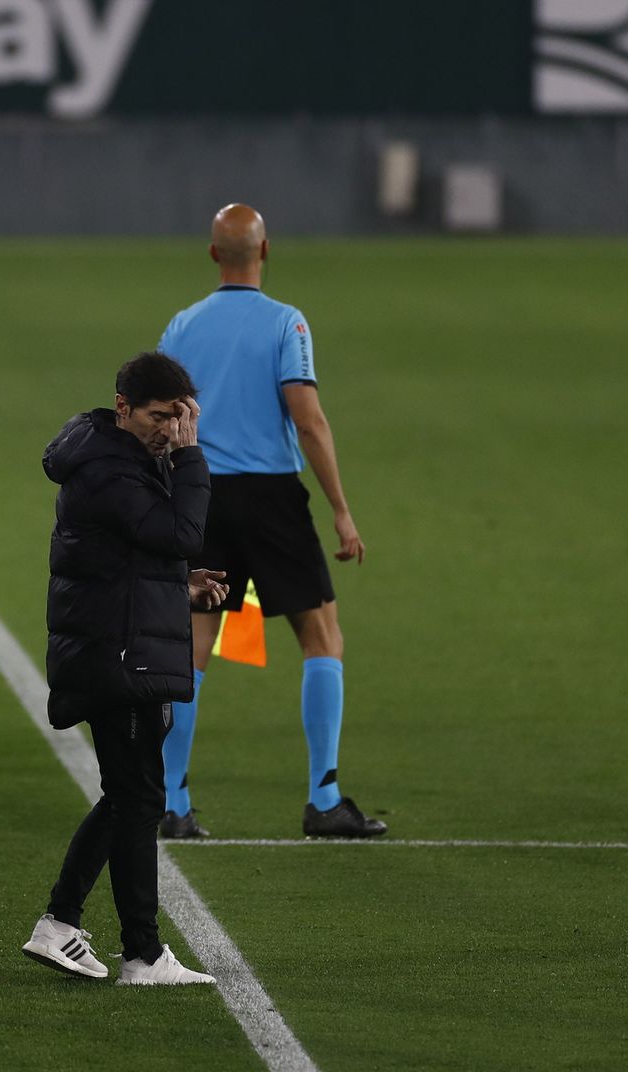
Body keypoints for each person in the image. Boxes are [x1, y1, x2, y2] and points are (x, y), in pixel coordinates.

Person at [155, 203, 386, 839]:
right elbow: (307, 418)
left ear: (212, 255)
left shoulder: (181, 327)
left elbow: (160, 420)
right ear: (266, 251)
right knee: (321, 636)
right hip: (272, 499)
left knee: (192, 647)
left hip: (200, 494)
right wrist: (341, 510)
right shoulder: (287, 323)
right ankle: (324, 799)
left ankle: (172, 804)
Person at [21, 353, 225, 987]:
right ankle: (139, 951)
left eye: (180, 418)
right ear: (123, 409)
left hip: (118, 640)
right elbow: (180, 531)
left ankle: (63, 924)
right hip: (117, 652)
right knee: (137, 798)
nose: (169, 428)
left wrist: (175, 587)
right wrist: (191, 458)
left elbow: (136, 553)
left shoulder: (116, 458)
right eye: (159, 417)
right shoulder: (111, 466)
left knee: (130, 796)